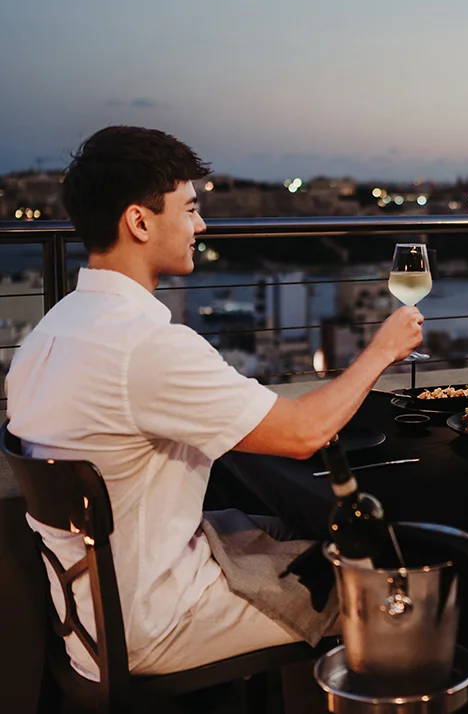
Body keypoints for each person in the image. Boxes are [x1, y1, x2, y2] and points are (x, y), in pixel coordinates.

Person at [5, 126, 424, 681]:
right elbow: (303, 435)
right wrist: (382, 350)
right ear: (139, 221)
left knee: (285, 527)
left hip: (87, 619)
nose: (201, 225)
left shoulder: (48, 335)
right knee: (403, 592)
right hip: (157, 622)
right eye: (190, 208)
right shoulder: (146, 345)